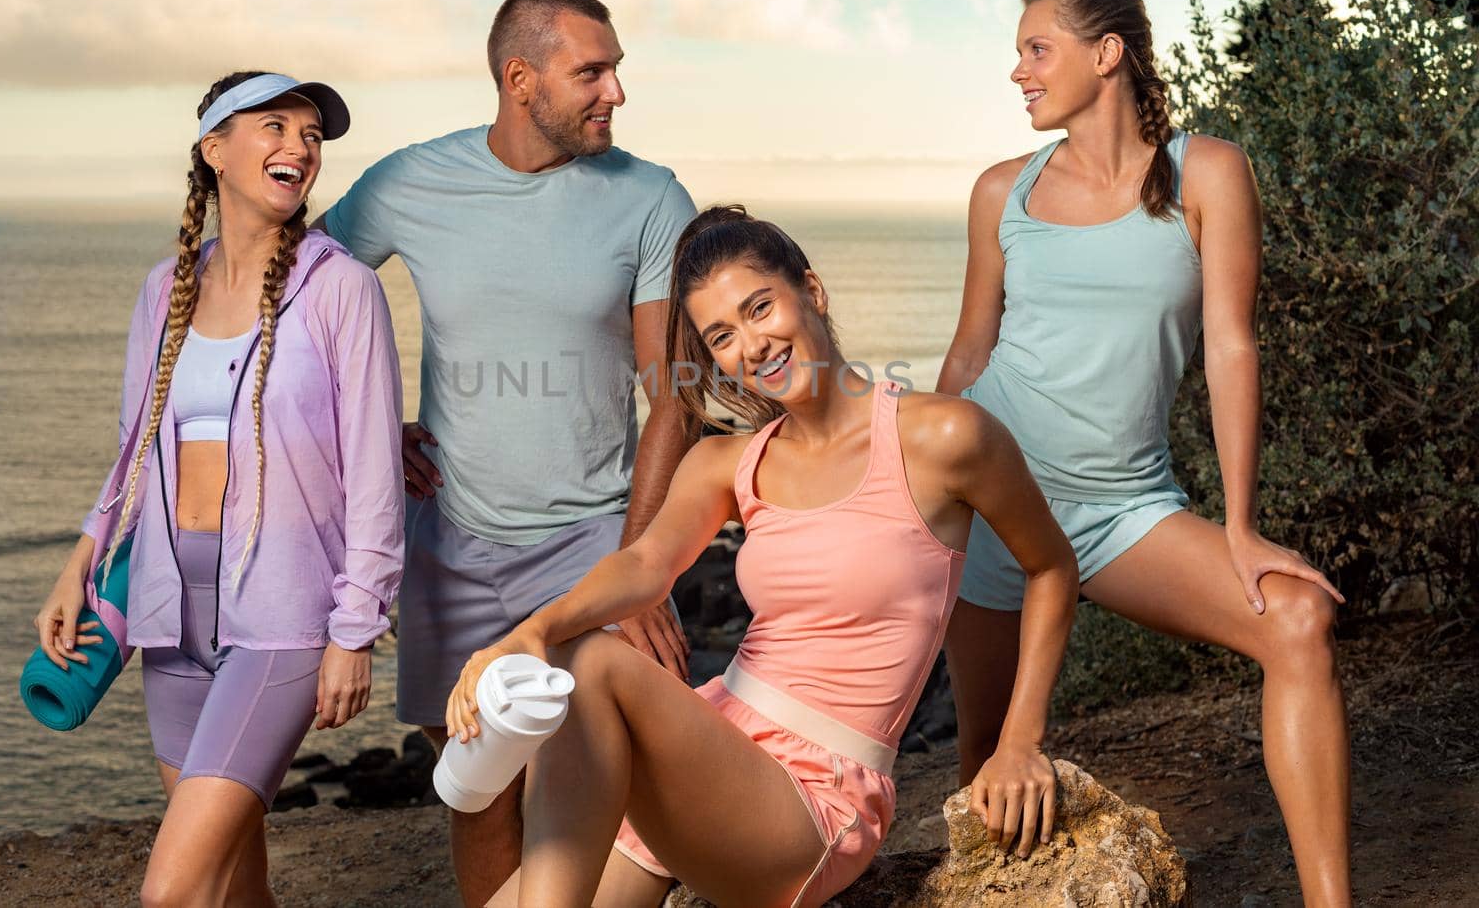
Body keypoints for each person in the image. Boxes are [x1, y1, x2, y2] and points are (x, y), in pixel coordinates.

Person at [446, 205, 1079, 908]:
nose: (752, 344)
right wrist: (526, 632)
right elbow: (645, 565)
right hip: (713, 749)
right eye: (723, 334)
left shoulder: (942, 435)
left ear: (811, 290)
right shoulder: (728, 461)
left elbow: (1051, 566)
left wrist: (1018, 740)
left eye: (760, 307)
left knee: (586, 658)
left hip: (817, 794)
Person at [936, 0, 1352, 906]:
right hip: (998, 507)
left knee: (1297, 619)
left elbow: (1231, 344)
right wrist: (917, 498)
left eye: (1036, 50)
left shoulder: (1205, 173)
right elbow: (968, 355)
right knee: (985, 759)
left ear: (1106, 53)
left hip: (1125, 510)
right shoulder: (1003, 190)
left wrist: (1240, 526)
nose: (1020, 73)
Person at [313, 0, 698, 904]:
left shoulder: (650, 197)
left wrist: (642, 560)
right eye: (591, 72)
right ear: (520, 79)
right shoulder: (410, 183)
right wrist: (363, 431)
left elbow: (673, 395)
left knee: (605, 786)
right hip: (451, 542)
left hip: (592, 539)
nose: (615, 92)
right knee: (480, 790)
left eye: (616, 70)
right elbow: (301, 302)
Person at [33, 71, 405, 907]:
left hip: (281, 620)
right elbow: (134, 453)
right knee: (235, 887)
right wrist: (80, 564)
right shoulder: (163, 293)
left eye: (311, 135)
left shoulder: (342, 289)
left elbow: (377, 477)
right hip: (170, 617)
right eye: (274, 126)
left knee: (173, 891)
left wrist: (356, 628)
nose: (299, 148)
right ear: (215, 151)